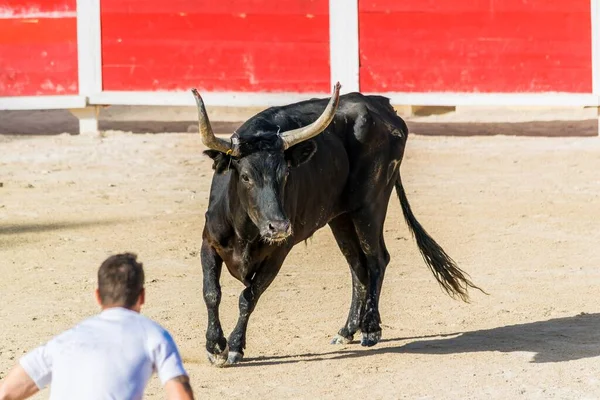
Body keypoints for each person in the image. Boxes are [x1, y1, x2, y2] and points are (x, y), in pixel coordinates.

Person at [0, 253, 194, 400]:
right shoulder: (154, 335)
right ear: (141, 296)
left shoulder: (65, 339)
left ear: (98, 296)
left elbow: (6, 391)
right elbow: (181, 395)